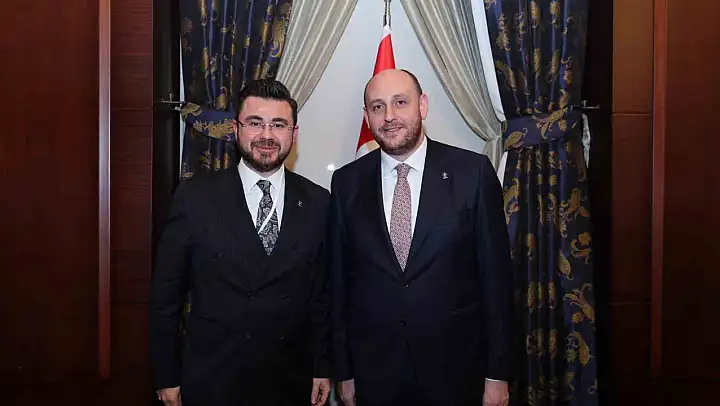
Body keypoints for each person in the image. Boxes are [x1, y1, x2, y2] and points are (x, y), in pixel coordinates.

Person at [329, 69, 513, 406]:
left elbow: (496, 281)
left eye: (400, 102)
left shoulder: (472, 173)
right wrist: (344, 371)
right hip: (374, 373)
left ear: (422, 105)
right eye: (378, 106)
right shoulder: (346, 183)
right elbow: (339, 283)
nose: (389, 116)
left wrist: (497, 373)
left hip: (457, 371)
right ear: (367, 117)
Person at [150, 79, 331, 406]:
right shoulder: (195, 197)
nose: (266, 135)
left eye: (278, 125)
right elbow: (166, 297)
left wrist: (322, 366)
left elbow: (321, 297)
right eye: (255, 123)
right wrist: (167, 375)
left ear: (294, 133)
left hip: (289, 379)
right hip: (213, 378)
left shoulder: (318, 201)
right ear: (236, 129)